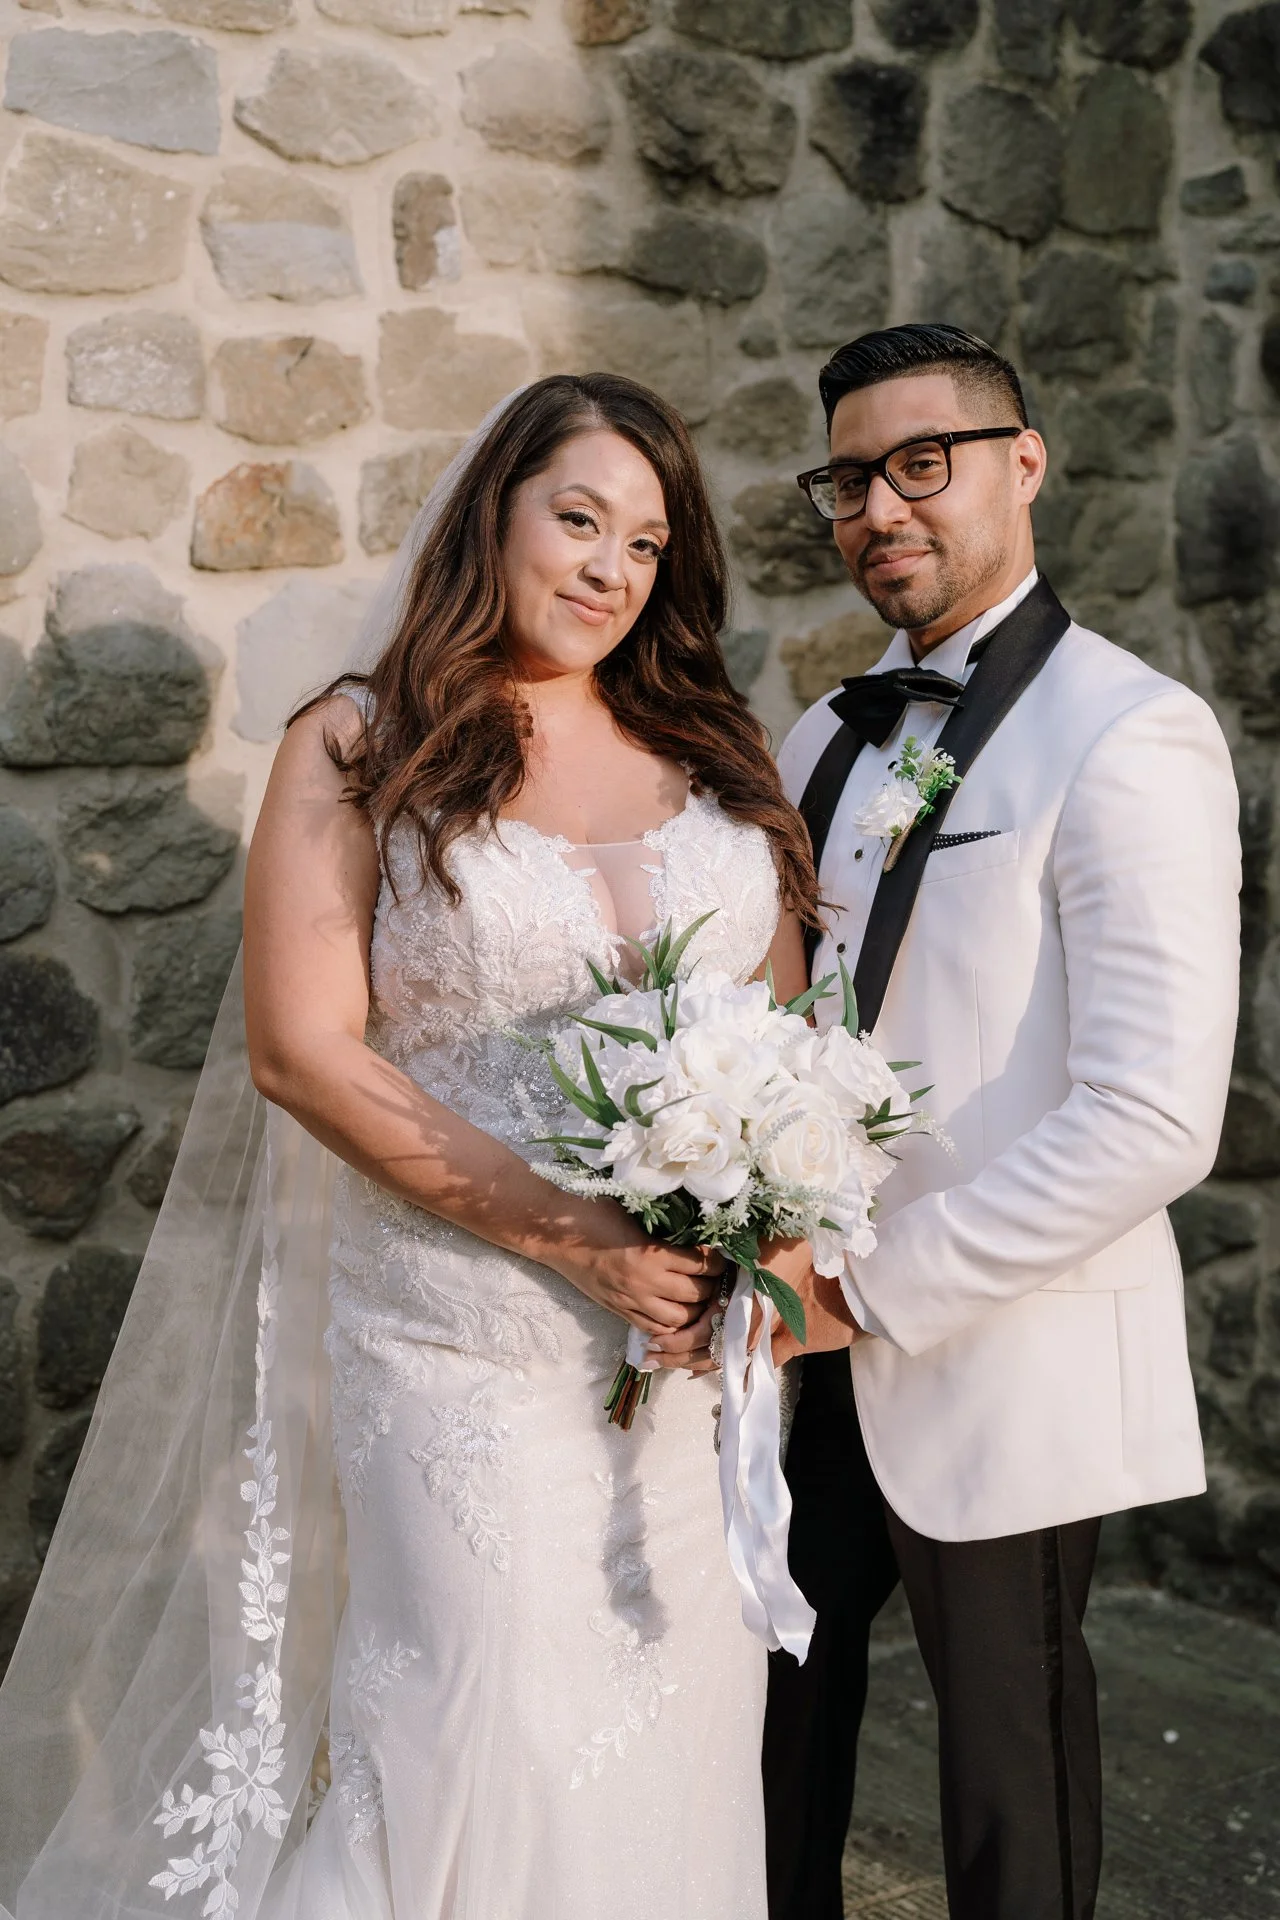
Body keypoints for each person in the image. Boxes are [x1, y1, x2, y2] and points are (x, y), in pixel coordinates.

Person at [0, 373, 819, 1920]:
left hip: (680, 1387)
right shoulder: (360, 741)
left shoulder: (716, 751)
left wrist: (759, 1250)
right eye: (578, 519)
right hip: (462, 1359)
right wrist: (581, 1241)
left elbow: (782, 1046)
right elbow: (301, 1050)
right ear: (491, 513)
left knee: (673, 1759)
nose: (610, 568)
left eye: (647, 544)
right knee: (481, 1738)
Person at [760, 324, 1241, 1920]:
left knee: (1005, 1792)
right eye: (849, 481)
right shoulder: (821, 737)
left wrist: (868, 1289)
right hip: (789, 1350)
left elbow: (1154, 1115)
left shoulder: (1131, 730)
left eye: (922, 465)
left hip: (996, 1342)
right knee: (765, 1736)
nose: (880, 509)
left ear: (1022, 465)